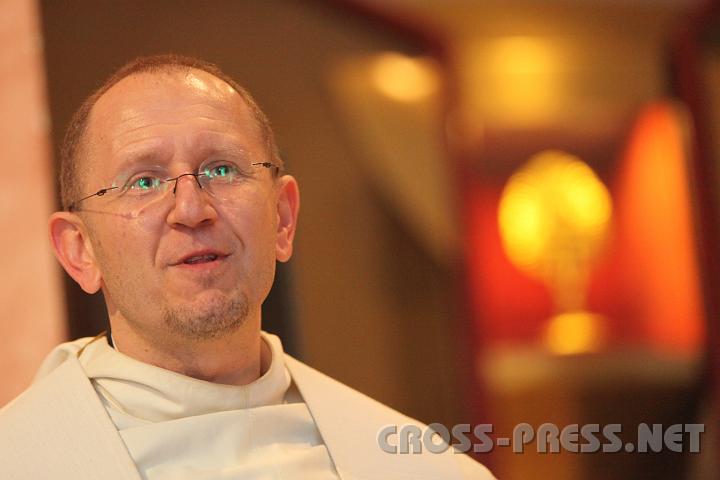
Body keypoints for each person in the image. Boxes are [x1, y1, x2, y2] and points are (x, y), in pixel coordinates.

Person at [0, 54, 494, 479]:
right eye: (143, 181)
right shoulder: (21, 459)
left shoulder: (423, 468)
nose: (191, 210)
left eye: (222, 169)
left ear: (282, 218)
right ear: (79, 250)